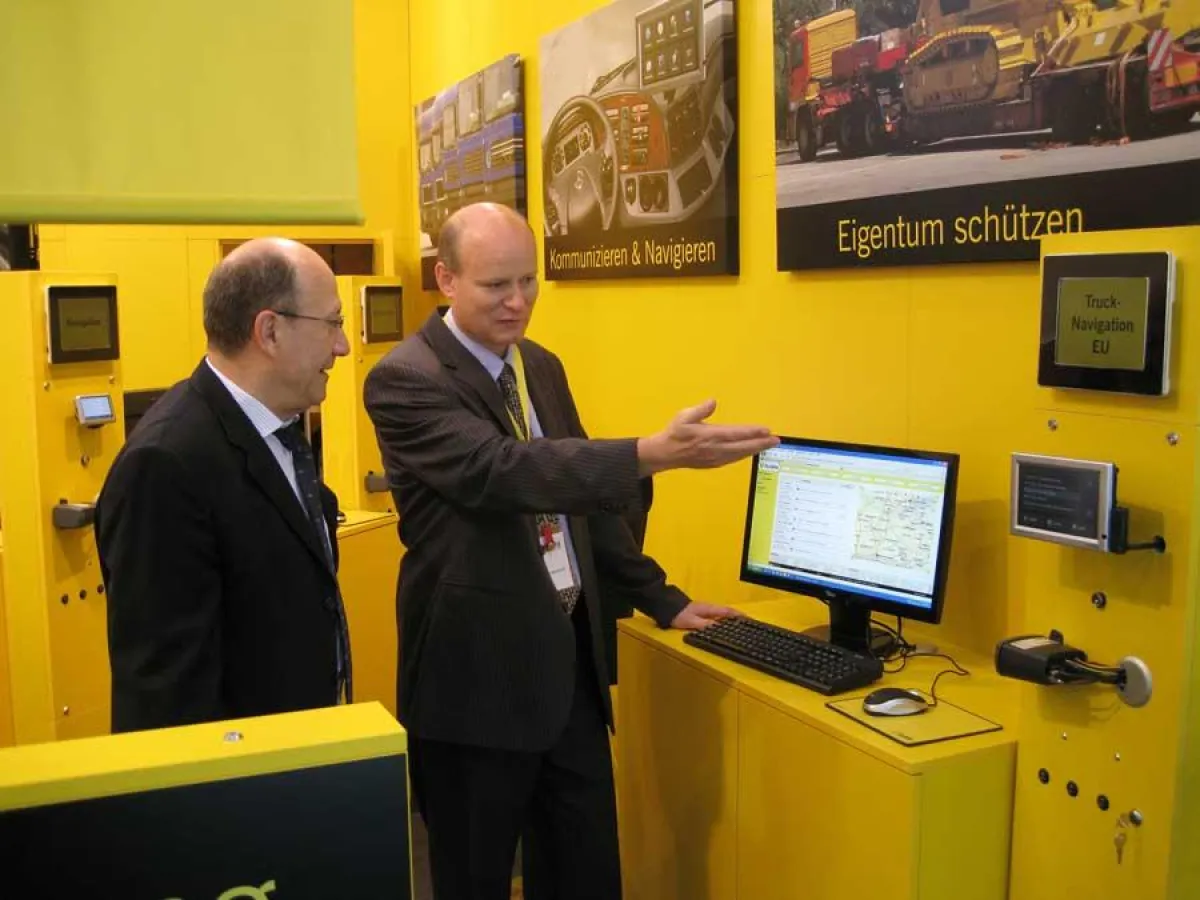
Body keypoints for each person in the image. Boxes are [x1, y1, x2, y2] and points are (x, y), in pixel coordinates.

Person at [363, 202, 778, 900]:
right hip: (475, 689)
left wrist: (661, 599)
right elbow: (502, 471)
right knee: (475, 878)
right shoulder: (406, 380)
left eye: (529, 280)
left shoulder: (540, 368)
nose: (518, 301)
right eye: (497, 285)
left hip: (568, 678)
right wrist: (651, 455)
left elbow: (580, 504)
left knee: (586, 873)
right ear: (446, 278)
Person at [95, 237, 353, 733]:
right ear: (270, 331)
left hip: (299, 758)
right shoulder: (166, 466)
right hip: (239, 788)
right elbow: (167, 693)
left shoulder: (281, 432)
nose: (342, 345)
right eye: (333, 324)